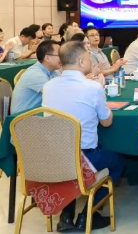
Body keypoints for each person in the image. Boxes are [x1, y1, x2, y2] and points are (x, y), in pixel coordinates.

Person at [43, 41, 125, 231]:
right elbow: (107, 123)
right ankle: (90, 214)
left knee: (69, 169)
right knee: (118, 161)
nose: (91, 61)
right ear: (81, 61)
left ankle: (66, 216)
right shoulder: (92, 88)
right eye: (89, 58)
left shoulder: (49, 86)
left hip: (55, 156)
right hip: (86, 156)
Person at [10, 41, 60, 114]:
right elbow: (56, 96)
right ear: (47, 58)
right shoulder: (35, 74)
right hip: (23, 117)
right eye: (60, 55)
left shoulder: (52, 71)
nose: (64, 58)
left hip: (38, 112)